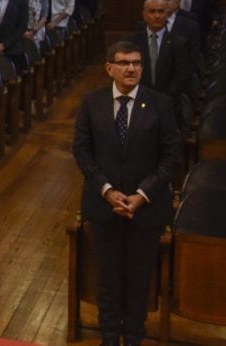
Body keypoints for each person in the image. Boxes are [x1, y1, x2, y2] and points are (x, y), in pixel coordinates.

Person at [72, 41, 182, 346]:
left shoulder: (160, 104)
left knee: (138, 282)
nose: (131, 68)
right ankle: (109, 338)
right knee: (107, 280)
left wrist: (142, 194)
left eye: (136, 63)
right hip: (103, 207)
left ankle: (133, 337)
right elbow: (82, 151)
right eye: (123, 63)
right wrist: (107, 191)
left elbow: (171, 157)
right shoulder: (91, 102)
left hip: (146, 210)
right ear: (110, 68)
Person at [127, 0, 193, 110]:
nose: (157, 16)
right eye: (152, 11)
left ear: (167, 15)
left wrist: (163, 98)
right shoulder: (132, 42)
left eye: (161, 11)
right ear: (144, 15)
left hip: (169, 103)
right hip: (138, 102)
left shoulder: (178, 43)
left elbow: (182, 75)